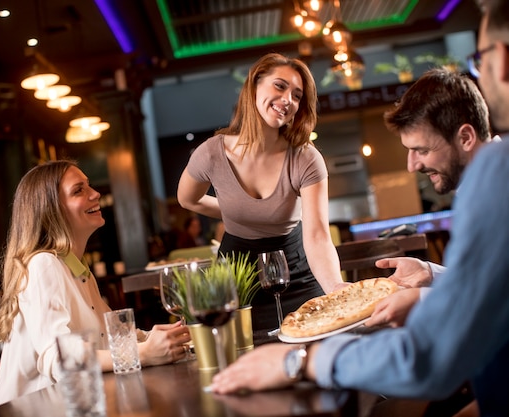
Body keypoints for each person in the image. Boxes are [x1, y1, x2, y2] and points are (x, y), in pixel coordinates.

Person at [210, 3, 509, 416]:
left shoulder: (498, 175)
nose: (411, 166)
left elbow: (428, 358)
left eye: (420, 149)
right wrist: (431, 280)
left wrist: (298, 362)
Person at [0, 160, 191, 407]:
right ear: (52, 210)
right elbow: (59, 360)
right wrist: (145, 353)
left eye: (89, 186)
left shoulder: (77, 268)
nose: (95, 194)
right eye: (78, 190)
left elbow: (108, 339)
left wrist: (155, 338)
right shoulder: (43, 264)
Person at [177, 53, 344, 331]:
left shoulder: (305, 158)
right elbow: (186, 199)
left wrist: (336, 287)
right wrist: (232, 211)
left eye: (297, 95)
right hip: (237, 276)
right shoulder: (211, 153)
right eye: (280, 86)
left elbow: (317, 236)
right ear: (254, 86)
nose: (288, 99)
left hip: (296, 272)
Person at [363, 67, 496, 328]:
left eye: (421, 150)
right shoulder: (477, 188)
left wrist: (423, 299)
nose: (412, 166)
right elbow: (484, 280)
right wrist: (429, 273)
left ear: (466, 137)